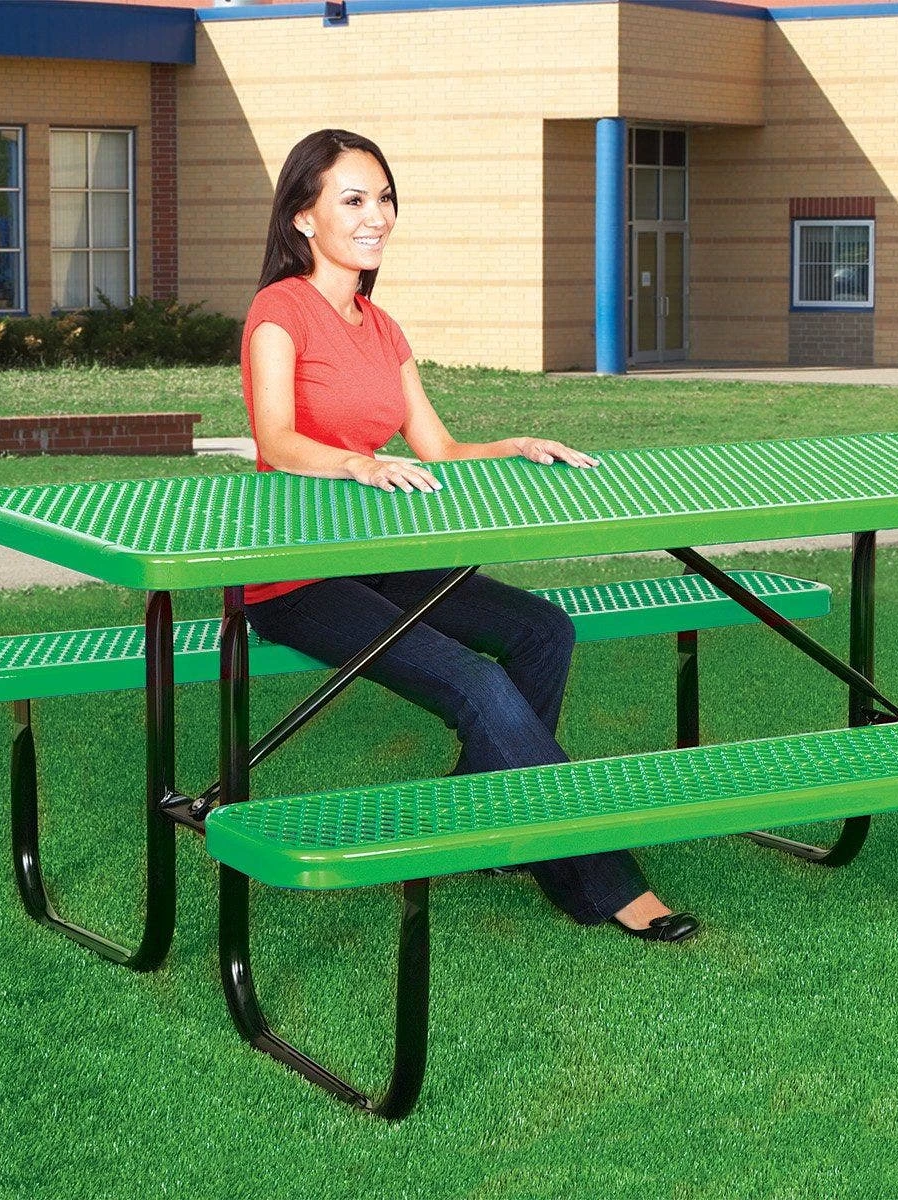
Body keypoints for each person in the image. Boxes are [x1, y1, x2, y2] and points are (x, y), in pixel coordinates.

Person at [240, 129, 698, 942]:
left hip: (380, 561)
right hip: (296, 578)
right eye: (354, 199)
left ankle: (479, 818)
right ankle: (603, 881)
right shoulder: (279, 313)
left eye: (385, 198)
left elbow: (438, 449)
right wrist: (355, 464)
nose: (377, 215)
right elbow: (275, 439)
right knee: (477, 685)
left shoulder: (383, 329)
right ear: (303, 217)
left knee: (542, 631)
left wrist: (515, 445)